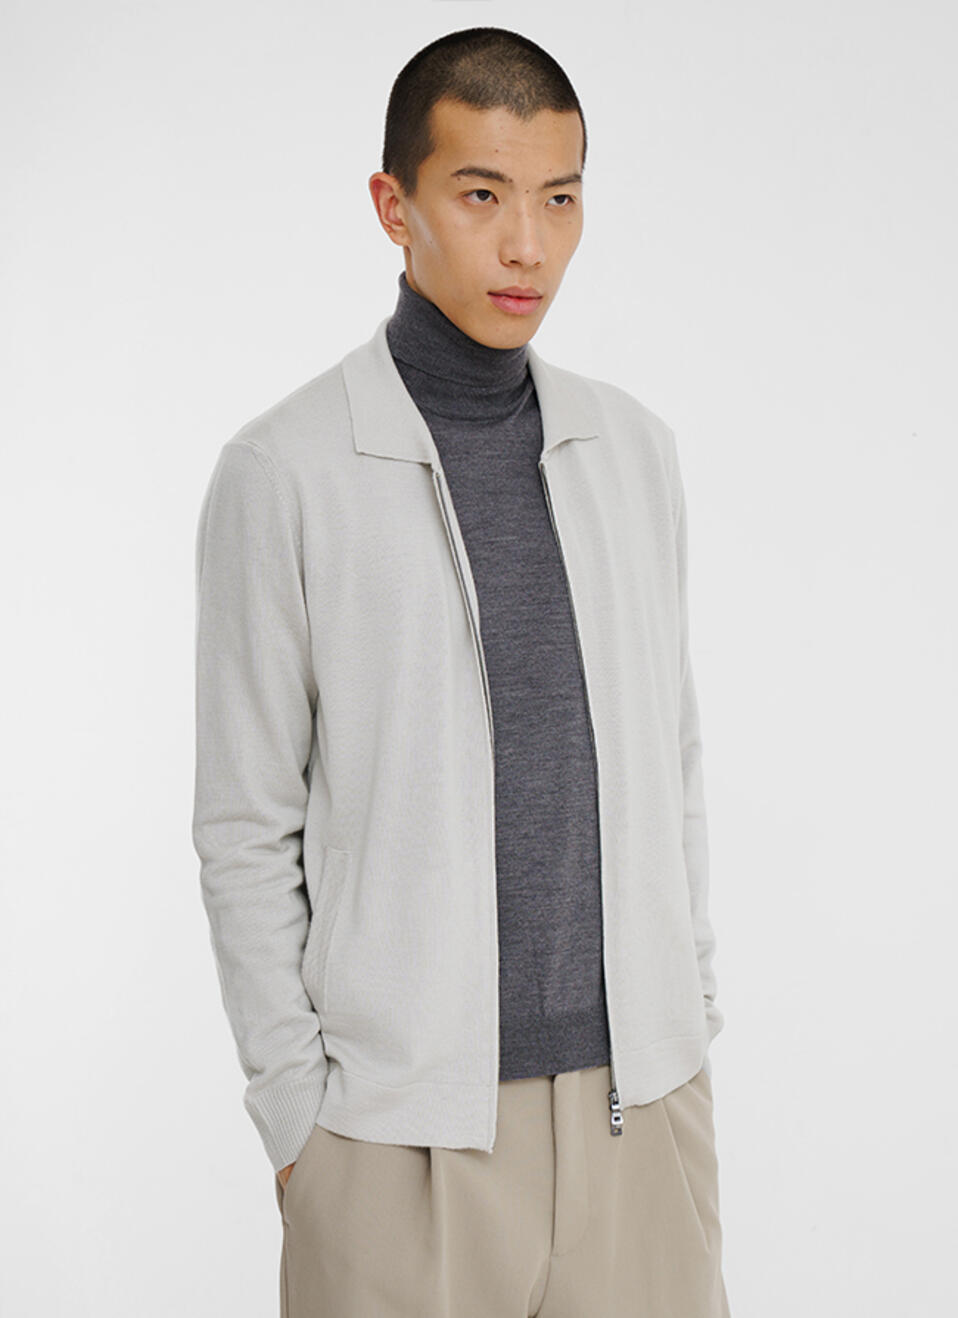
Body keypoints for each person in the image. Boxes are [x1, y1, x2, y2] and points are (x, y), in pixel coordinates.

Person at [192, 24, 731, 1318]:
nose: (526, 245)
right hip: (395, 1141)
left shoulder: (634, 451)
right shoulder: (285, 471)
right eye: (482, 195)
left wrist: (688, 1014)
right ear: (396, 206)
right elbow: (245, 823)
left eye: (559, 198)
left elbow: (670, 758)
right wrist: (300, 1124)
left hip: (638, 1115)